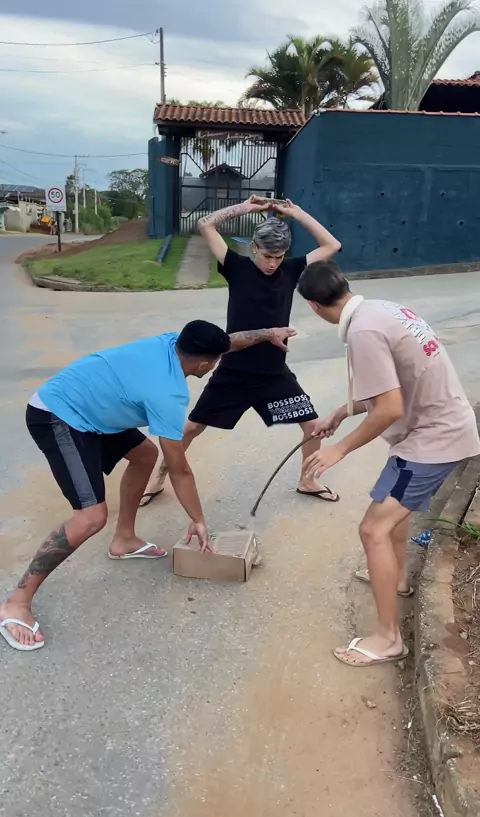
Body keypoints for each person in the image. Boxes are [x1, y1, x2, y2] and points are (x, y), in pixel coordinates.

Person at [0, 320, 295, 652]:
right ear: (204, 365)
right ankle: (16, 602)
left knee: (144, 455)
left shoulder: (172, 343)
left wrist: (267, 335)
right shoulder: (168, 393)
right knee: (91, 517)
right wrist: (198, 520)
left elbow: (228, 341)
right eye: (216, 360)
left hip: (92, 406)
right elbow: (179, 469)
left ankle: (124, 540)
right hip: (58, 413)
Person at [297, 261, 480, 668]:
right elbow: (393, 384)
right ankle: (396, 578)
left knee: (373, 529)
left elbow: (389, 407)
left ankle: (388, 639)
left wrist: (339, 449)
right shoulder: (381, 310)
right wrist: (341, 412)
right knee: (392, 514)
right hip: (435, 432)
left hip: (432, 441)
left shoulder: (363, 331)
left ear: (313, 306)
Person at [140, 196, 342, 507]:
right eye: (268, 256)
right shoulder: (236, 267)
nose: (273, 263)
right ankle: (159, 476)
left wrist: (297, 213)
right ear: (254, 248)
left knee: (313, 427)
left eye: (279, 256)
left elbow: (332, 245)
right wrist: (246, 208)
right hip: (233, 373)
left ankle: (308, 479)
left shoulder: (291, 270)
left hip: (274, 375)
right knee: (191, 428)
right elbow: (205, 224)